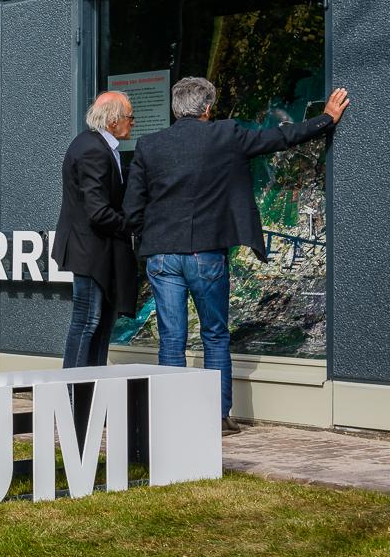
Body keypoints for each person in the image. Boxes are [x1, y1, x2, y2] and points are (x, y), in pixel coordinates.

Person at [123, 78, 349, 435]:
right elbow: (280, 137)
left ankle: (170, 417)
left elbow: (132, 206)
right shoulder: (226, 134)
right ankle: (217, 417)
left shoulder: (149, 145)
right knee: (214, 334)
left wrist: (147, 238)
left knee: (171, 338)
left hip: (162, 255)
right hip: (206, 253)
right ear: (208, 109)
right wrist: (326, 119)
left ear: (174, 107)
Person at [52, 92, 139, 370]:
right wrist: (133, 227)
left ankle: (91, 391)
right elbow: (98, 211)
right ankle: (73, 397)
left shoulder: (99, 145)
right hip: (89, 251)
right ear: (113, 120)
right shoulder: (92, 149)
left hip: (97, 250)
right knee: (87, 320)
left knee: (100, 322)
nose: (133, 123)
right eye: (130, 117)